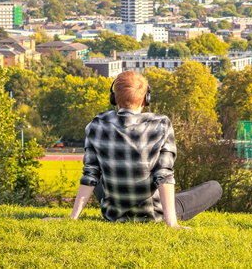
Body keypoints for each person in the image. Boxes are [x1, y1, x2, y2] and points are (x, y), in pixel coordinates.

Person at [67, 70, 222, 227]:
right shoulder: (160, 124)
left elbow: (90, 175)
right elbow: (164, 176)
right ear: (145, 100)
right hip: (153, 214)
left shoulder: (97, 123)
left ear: (114, 98)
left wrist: (72, 218)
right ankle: (169, 212)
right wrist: (172, 223)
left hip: (114, 214)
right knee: (214, 187)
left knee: (98, 177)